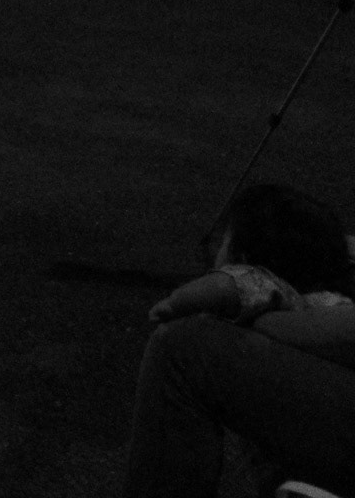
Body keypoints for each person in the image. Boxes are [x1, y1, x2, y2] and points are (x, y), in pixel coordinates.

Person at [125, 183, 355, 498]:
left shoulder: (268, 290)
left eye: (224, 242)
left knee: (182, 349)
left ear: (243, 259)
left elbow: (229, 288)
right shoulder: (331, 290)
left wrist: (176, 303)